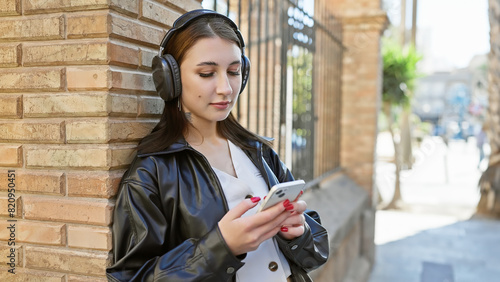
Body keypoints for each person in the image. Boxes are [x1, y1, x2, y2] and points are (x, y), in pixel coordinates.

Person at [105, 9, 329, 282]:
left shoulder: (258, 152)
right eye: (207, 73)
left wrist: (300, 233)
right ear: (170, 79)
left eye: (234, 71)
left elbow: (317, 251)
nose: (226, 88)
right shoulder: (151, 174)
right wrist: (221, 247)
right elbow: (130, 277)